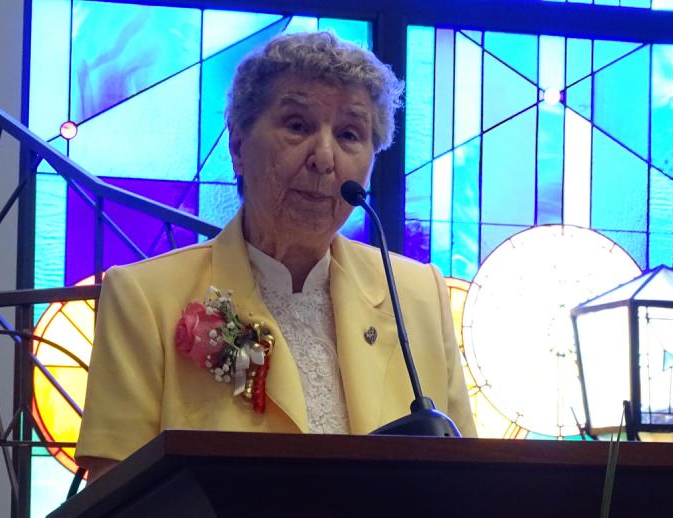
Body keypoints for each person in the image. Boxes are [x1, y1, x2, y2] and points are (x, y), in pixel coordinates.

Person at [75, 30, 476, 484]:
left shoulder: (418, 296)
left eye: (349, 134)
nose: (324, 158)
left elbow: (468, 482)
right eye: (297, 126)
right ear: (237, 146)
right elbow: (117, 497)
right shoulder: (146, 298)